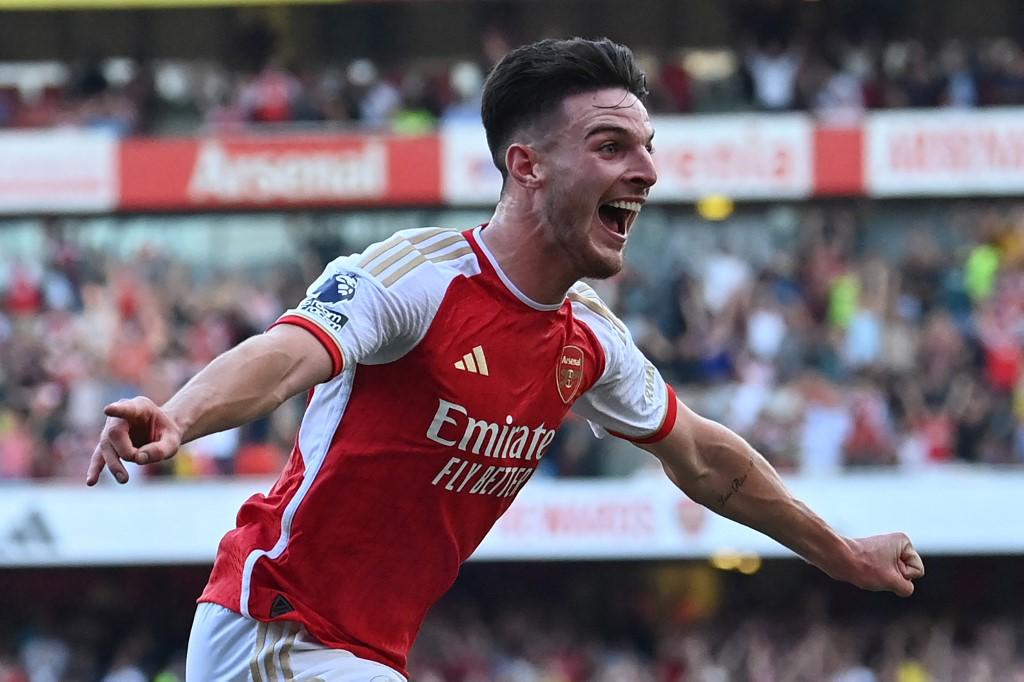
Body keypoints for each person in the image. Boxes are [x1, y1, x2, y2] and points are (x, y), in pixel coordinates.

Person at [86, 37, 924, 681]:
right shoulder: (415, 279)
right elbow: (285, 354)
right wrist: (180, 415)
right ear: (526, 166)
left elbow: (707, 461)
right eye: (611, 147)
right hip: (273, 628)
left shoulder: (589, 339)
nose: (647, 171)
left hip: (366, 652)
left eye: (646, 147)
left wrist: (840, 552)